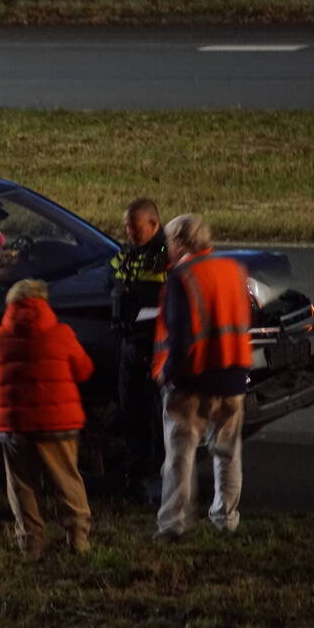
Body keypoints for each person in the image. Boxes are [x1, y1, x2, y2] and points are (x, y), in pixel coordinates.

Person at [151, 214, 252, 540]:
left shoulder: (182, 277)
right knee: (228, 452)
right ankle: (226, 518)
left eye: (168, 242)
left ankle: (173, 524)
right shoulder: (234, 270)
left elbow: (180, 337)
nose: (167, 249)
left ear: (180, 242)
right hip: (234, 374)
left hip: (194, 380)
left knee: (180, 454)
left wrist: (168, 374)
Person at [0, 279, 94, 559]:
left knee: (22, 484)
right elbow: (84, 370)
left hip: (15, 424)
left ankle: (30, 544)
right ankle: (78, 538)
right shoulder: (62, 334)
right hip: (59, 423)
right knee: (67, 479)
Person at [109, 197, 168, 503]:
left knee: (155, 419)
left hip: (152, 348)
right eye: (127, 227)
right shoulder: (127, 253)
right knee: (131, 414)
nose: (129, 232)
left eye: (135, 227)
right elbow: (113, 282)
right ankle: (135, 480)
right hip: (128, 345)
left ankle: (158, 481)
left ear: (153, 224)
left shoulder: (166, 256)